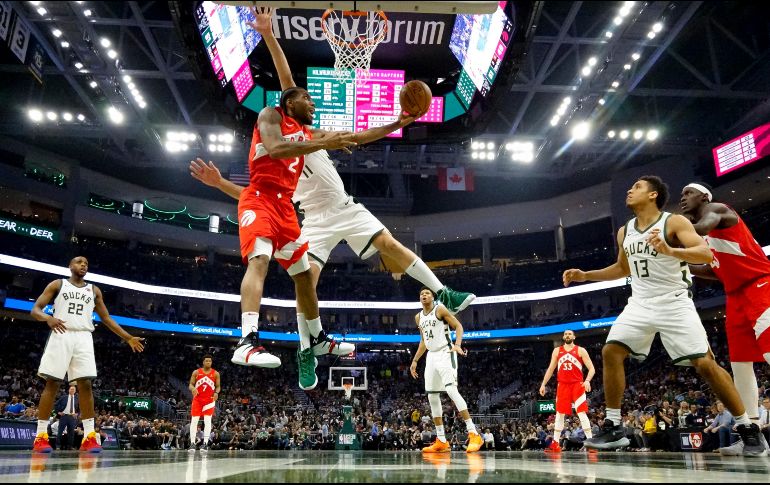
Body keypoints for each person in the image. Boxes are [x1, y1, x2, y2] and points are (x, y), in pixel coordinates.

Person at [190, 9, 474, 316]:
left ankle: (444, 293)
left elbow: (356, 134)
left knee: (389, 245)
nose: (308, 102)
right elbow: (250, 196)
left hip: (345, 206)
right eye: (303, 100)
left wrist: (397, 123)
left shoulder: (308, 132)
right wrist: (219, 183)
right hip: (314, 219)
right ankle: (307, 351)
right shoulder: (275, 152)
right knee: (307, 281)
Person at [562, 176, 765, 455]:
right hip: (640, 303)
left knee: (705, 365)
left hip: (675, 302)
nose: (630, 190)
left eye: (637, 187)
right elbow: (623, 268)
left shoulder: (675, 222)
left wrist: (670, 250)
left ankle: (747, 428)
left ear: (653, 195)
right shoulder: (625, 231)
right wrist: (585, 275)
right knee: (610, 350)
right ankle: (613, 425)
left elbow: (705, 253)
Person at [680, 182, 770, 454]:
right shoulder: (706, 241)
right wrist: (678, 261)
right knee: (740, 365)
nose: (683, 199)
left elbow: (701, 227)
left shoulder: (717, 209)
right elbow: (713, 269)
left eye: (688, 193)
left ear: (703, 196)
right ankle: (753, 435)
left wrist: (669, 238)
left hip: (761, 284)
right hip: (735, 296)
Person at [30, 256, 145, 453]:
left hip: (84, 336)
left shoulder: (93, 290)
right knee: (53, 383)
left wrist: (127, 338)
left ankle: (90, 437)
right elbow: (35, 309)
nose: (83, 265)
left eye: (86, 264)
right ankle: (40, 437)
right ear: (70, 266)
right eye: (79, 262)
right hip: (61, 333)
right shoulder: (58, 284)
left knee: (86, 384)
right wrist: (47, 318)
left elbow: (106, 318)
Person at [410, 287, 483, 454]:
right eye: (421, 293)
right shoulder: (418, 317)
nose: (424, 295)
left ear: (433, 296)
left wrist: (457, 345)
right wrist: (414, 360)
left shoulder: (440, 309)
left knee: (451, 389)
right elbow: (423, 341)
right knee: (432, 395)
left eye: (427, 293)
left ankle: (473, 434)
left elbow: (458, 326)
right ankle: (442, 440)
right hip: (431, 356)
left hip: (445, 351)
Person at [538, 329, 596, 452]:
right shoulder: (557, 351)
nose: (567, 335)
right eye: (565, 334)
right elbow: (550, 369)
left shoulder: (581, 350)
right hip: (563, 385)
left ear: (574, 337)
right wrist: (543, 384)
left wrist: (587, 381)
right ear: (563, 337)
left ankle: (591, 443)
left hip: (577, 385)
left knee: (581, 413)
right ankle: (555, 444)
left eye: (569, 334)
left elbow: (592, 368)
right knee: (559, 414)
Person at [188, 355, 220, 453]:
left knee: (207, 421)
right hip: (197, 400)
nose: (208, 363)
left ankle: (205, 443)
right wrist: (193, 388)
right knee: (194, 421)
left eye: (210, 361)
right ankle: (192, 443)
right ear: (203, 362)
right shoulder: (196, 372)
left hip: (209, 400)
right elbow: (190, 384)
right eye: (206, 361)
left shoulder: (215, 373)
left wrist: (216, 393)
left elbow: (218, 387)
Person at [55, 385, 79, 450]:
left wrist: (77, 414)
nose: (72, 390)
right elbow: (56, 404)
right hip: (64, 416)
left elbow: (79, 408)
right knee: (60, 431)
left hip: (72, 417)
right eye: (71, 389)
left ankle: (70, 446)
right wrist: (58, 412)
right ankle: (58, 446)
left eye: (73, 389)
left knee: (71, 433)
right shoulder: (64, 397)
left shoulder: (77, 399)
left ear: (75, 391)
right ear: (69, 390)